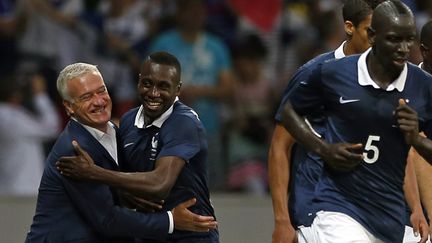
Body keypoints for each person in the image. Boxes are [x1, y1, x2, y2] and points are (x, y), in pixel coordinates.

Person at [280, 0, 432, 242]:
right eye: (394, 39)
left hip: (389, 214)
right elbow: (288, 113)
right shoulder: (334, 72)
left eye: (409, 39)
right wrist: (324, 149)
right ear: (373, 36)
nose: (404, 48)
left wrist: (415, 139)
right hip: (338, 207)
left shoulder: (422, 86)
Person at [25, 62, 217, 243]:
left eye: (101, 91)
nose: (99, 101)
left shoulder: (118, 131)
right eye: (86, 97)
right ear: (69, 107)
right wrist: (171, 221)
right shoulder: (74, 150)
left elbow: (113, 189)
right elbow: (107, 220)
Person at [149, 0, 234, 189]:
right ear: (180, 14)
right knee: (169, 184)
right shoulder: (163, 43)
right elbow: (149, 81)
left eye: (200, 11)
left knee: (213, 186)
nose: (196, 15)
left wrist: (198, 91)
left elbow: (228, 88)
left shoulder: (216, 46)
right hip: (168, 127)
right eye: (190, 11)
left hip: (207, 126)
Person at [0, 73, 60, 196]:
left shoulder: (8, 114)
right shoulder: (11, 115)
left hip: (10, 186)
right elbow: (52, 128)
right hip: (21, 189)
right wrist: (40, 95)